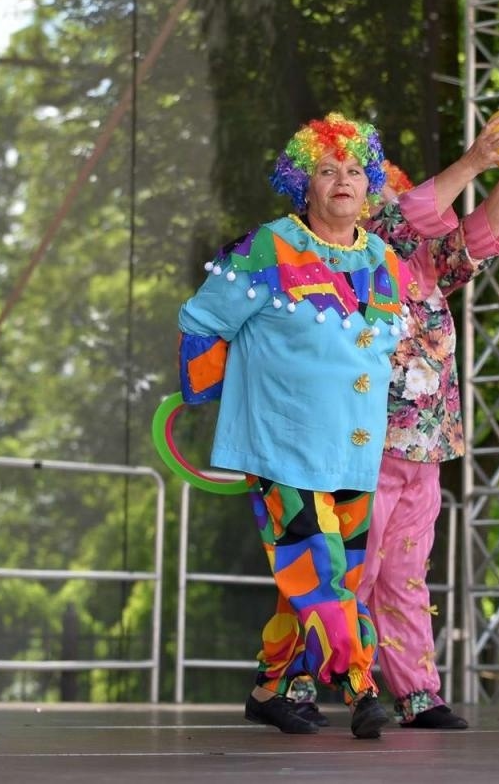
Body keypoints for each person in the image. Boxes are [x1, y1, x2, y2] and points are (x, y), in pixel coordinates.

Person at [177, 113, 406, 740]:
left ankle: (270, 687)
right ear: (303, 184)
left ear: (369, 184)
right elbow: (201, 320)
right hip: (283, 444)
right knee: (321, 570)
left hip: (355, 449)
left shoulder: (383, 259)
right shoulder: (267, 247)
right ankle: (360, 684)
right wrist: (211, 400)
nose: (342, 180)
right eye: (327, 170)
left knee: (316, 577)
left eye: (354, 170)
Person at [354, 127, 499, 729]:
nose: (395, 206)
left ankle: (416, 693)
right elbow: (404, 219)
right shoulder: (362, 258)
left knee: (405, 577)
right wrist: (475, 161)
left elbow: (478, 240)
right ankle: (331, 681)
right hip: (368, 446)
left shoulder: (427, 271)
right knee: (355, 571)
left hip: (425, 450)